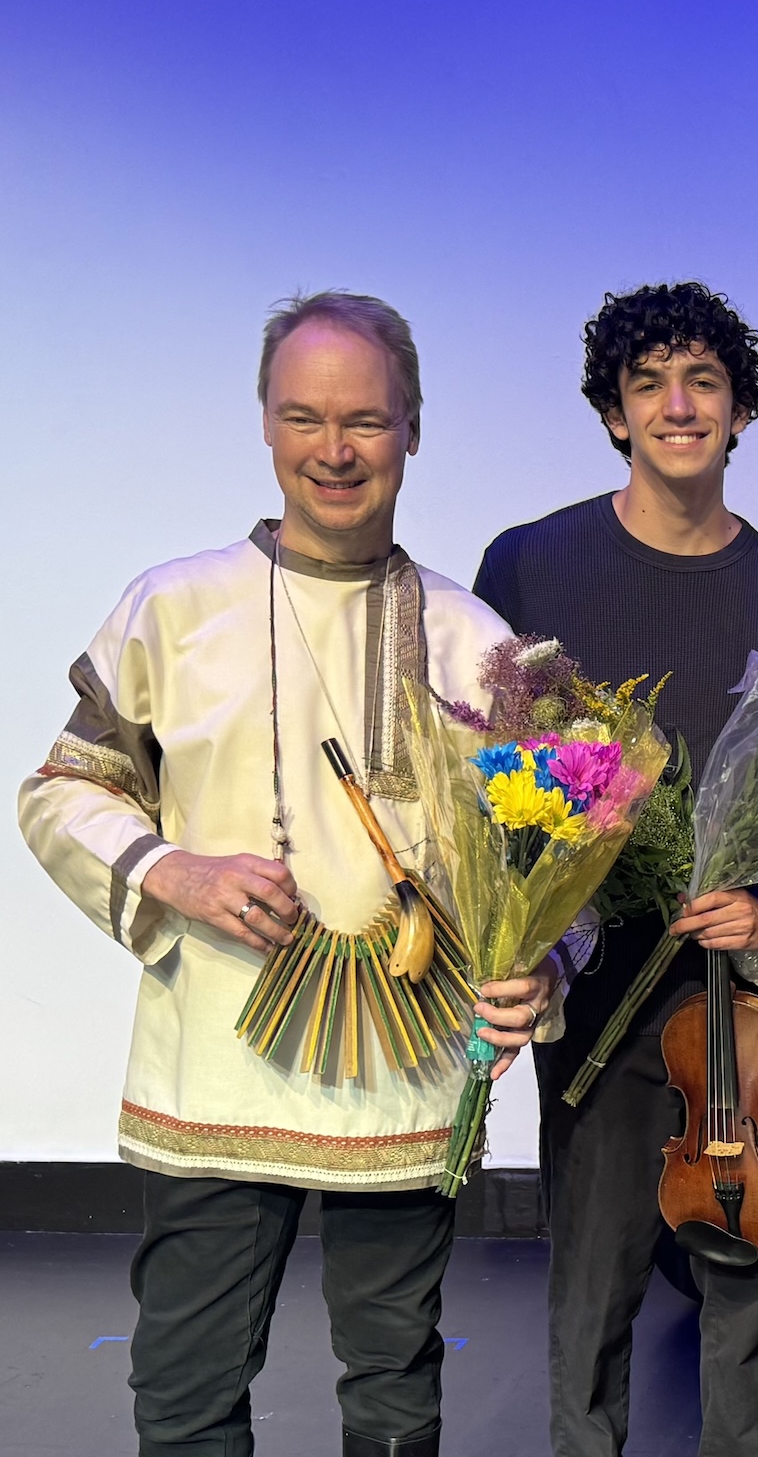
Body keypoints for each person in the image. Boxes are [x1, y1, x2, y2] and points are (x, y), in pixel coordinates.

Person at [18, 291, 554, 1457]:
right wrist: (171, 868)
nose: (334, 449)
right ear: (265, 424)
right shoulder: (173, 607)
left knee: (396, 1386)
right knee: (188, 1388)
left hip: (408, 1077)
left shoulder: (478, 643)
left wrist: (540, 967)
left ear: (414, 426)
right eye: (303, 417)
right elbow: (61, 789)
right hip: (216, 1068)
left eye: (365, 419)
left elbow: (544, 865)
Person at [472, 282, 758, 1457]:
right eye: (648, 385)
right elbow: (489, 778)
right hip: (596, 991)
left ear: (739, 412)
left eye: (704, 384)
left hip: (744, 996)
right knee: (594, 1284)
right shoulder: (530, 566)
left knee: (745, 1279)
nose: (678, 407)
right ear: (616, 413)